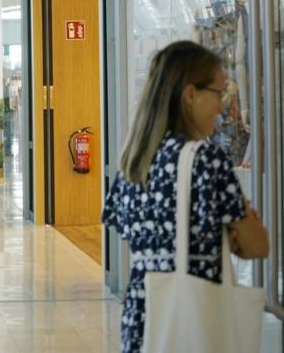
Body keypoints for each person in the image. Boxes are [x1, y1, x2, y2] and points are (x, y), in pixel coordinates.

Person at [101, 41, 269, 353]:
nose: (222, 107)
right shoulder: (206, 160)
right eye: (219, 93)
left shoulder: (132, 163)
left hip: (142, 323)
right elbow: (257, 245)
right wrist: (234, 224)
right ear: (190, 95)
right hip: (196, 322)